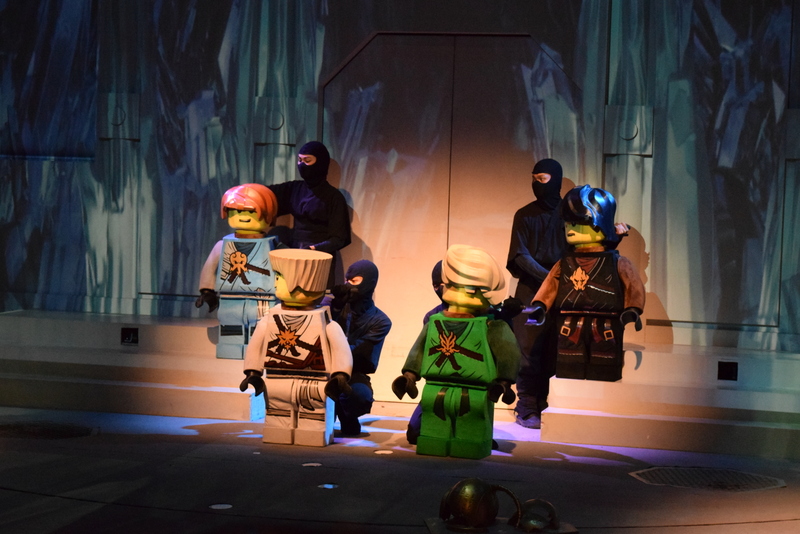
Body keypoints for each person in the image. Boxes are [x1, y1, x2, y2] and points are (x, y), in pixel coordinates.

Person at [393, 244, 521, 460]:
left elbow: (508, 352)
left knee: (471, 415)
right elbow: (420, 348)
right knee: (429, 421)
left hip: (475, 386)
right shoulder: (434, 319)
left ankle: (472, 442)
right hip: (437, 383)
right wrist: (410, 375)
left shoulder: (493, 324)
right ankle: (437, 440)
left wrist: (504, 381)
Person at [527, 185, 645, 381]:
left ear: (600, 223)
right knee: (569, 355)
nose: (571, 229)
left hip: (606, 319)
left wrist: (632, 308)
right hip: (569, 318)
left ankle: (603, 372)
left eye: (578, 222)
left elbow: (633, 285)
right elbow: (551, 285)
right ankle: (571, 373)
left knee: (605, 353)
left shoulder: (618, 262)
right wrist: (540, 305)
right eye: (568, 224)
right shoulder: (564, 263)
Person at [240, 249, 353, 447]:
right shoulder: (269, 319)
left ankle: (313, 432)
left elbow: (340, 348)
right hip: (277, 377)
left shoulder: (326, 322)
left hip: (315, 380)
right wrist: (253, 371)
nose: (275, 282)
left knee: (313, 409)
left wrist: (341, 373)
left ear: (302, 283)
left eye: (279, 277)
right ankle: (278, 430)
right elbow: (256, 346)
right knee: (277, 407)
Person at [506, 158, 567, 428]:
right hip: (531, 290)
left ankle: (548, 404)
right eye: (534, 179)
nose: (536, 184)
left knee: (557, 347)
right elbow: (519, 255)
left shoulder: (571, 214)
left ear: (556, 180)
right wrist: (549, 279)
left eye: (542, 179)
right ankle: (527, 405)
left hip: (563, 291)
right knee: (528, 349)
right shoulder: (524, 214)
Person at [196, 183, 280, 360]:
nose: (243, 216)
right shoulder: (222, 245)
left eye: (250, 211)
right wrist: (207, 290)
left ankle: (257, 351)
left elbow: (284, 269)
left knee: (260, 326)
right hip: (230, 298)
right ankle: (231, 348)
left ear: (268, 214)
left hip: (262, 299)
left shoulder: (273, 245)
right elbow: (210, 267)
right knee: (230, 323)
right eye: (236, 211)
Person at [268, 141, 351, 288]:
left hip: (320, 258)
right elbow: (267, 194)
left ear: (320, 163)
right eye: (300, 160)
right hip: (295, 254)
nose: (302, 165)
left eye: (307, 160)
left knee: (316, 295)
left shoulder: (334, 197)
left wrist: (313, 249)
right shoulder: (294, 188)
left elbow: (340, 238)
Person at [327, 260, 392, 436]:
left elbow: (359, 351)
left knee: (359, 396)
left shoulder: (380, 320)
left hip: (353, 371)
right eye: (346, 280)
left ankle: (345, 413)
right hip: (323, 368)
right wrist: (335, 309)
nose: (348, 285)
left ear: (369, 283)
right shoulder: (332, 306)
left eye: (354, 281)